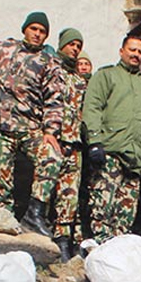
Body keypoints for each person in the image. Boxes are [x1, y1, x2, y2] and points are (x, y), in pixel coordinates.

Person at [0, 11, 63, 237]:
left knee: (51, 156)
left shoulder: (49, 62)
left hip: (30, 129)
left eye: (42, 32)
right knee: (0, 180)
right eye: (34, 29)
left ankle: (34, 213)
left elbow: (54, 99)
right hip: (0, 128)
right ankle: (1, 225)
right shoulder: (4, 48)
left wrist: (50, 131)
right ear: (25, 29)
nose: (37, 34)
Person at [82, 35, 141, 244]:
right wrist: (95, 142)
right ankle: (97, 249)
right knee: (102, 206)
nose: (136, 55)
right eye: (132, 50)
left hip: (135, 160)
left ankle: (116, 254)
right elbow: (92, 108)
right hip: (110, 153)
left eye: (140, 52)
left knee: (125, 213)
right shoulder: (107, 76)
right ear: (122, 51)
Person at [51, 27, 87, 261]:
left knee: (69, 192)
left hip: (74, 142)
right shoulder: (50, 67)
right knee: (44, 187)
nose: (75, 49)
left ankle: (63, 238)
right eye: (72, 44)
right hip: (51, 137)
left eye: (78, 46)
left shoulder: (79, 80)